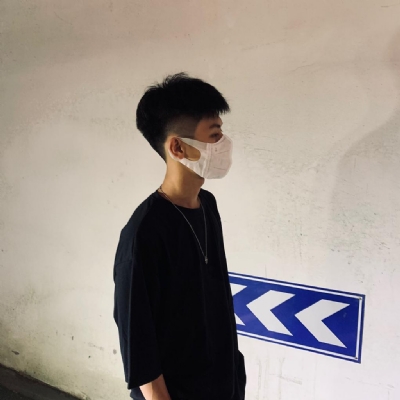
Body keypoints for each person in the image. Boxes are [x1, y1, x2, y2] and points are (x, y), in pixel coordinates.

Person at [112, 72, 246, 400]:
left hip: (223, 384)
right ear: (178, 147)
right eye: (214, 135)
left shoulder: (206, 205)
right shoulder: (144, 232)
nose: (224, 144)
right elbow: (138, 341)